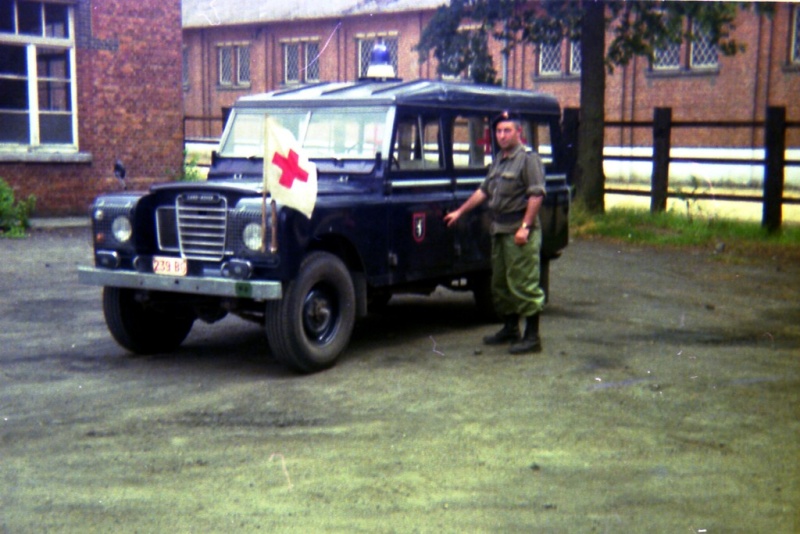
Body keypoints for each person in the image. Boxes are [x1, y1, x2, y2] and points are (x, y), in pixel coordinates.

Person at [444, 112, 546, 354]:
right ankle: (511, 329)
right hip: (499, 229)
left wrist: (525, 228)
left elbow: (536, 195)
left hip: (518, 231)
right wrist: (460, 212)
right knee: (500, 284)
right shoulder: (500, 160)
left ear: (518, 132)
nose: (502, 135)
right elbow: (484, 191)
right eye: (499, 131)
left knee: (523, 283)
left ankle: (532, 337)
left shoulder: (528, 160)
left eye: (507, 130)